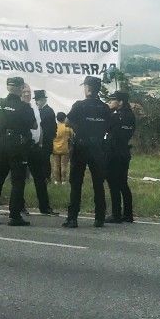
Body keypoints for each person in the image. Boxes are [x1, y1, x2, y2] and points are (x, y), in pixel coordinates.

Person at [0, 76, 36, 226]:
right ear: (20, 89)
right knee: (18, 181)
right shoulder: (25, 107)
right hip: (16, 145)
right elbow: (33, 125)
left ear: (8, 87)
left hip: (0, 143)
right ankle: (14, 216)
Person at [63, 76, 110, 229]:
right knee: (98, 183)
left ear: (88, 88)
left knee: (76, 183)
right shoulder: (104, 108)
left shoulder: (79, 105)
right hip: (97, 147)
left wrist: (80, 128)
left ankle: (72, 218)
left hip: (81, 146)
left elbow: (67, 122)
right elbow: (108, 127)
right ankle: (99, 218)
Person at [18, 85, 55, 216]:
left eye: (29, 92)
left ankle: (44, 207)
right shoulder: (18, 107)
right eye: (25, 92)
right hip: (22, 146)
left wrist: (40, 142)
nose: (27, 94)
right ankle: (19, 206)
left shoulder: (35, 108)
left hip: (35, 147)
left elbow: (40, 127)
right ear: (20, 93)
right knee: (20, 178)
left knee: (40, 177)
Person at [105, 90, 136, 223]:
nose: (110, 102)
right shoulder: (131, 116)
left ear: (121, 102)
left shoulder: (115, 116)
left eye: (112, 100)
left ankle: (116, 214)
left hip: (114, 152)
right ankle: (128, 214)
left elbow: (107, 129)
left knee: (113, 183)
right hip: (124, 151)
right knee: (123, 183)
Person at [51, 112, 73, 184]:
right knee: (64, 165)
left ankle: (57, 180)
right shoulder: (67, 128)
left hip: (55, 149)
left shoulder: (54, 127)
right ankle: (63, 180)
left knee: (56, 165)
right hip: (65, 149)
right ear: (65, 118)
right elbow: (72, 137)